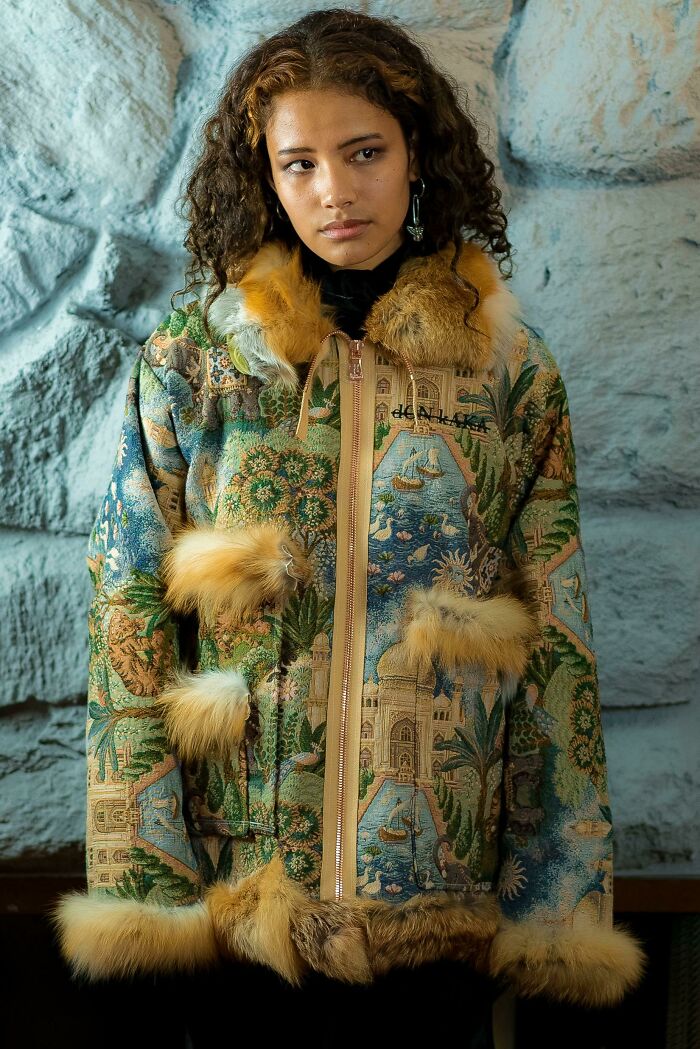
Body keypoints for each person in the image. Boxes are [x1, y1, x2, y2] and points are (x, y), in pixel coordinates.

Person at [50, 7, 645, 1045]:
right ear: (264, 177)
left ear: (417, 154)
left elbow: (559, 653)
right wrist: (148, 899)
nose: (334, 189)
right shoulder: (197, 362)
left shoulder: (509, 373)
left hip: (438, 918)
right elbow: (126, 632)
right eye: (300, 162)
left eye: (364, 152)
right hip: (242, 919)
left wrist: (556, 912)